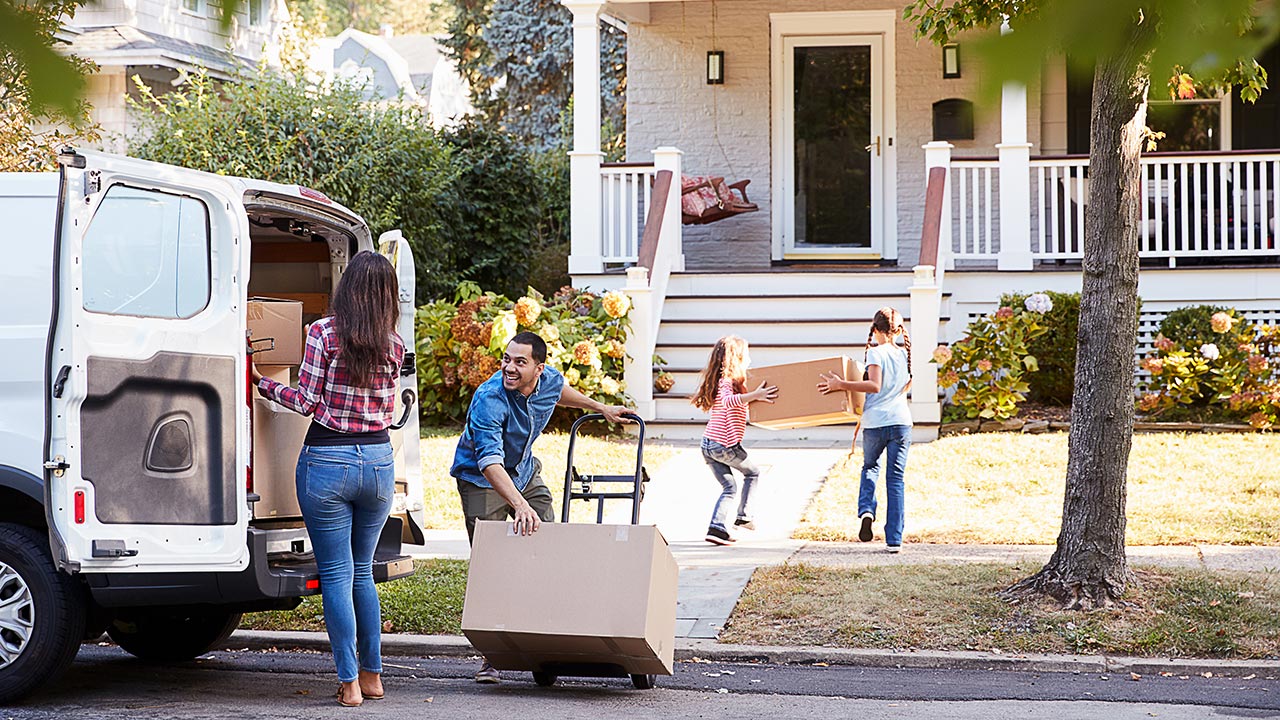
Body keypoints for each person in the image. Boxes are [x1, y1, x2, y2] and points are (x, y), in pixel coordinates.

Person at [251, 251, 405, 707]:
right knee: (363, 574)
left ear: (348, 289)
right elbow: (389, 406)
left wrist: (263, 382)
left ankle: (349, 683)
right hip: (378, 461)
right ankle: (373, 675)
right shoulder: (394, 344)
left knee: (336, 573)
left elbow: (305, 400)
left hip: (328, 460)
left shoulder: (322, 333)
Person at [451, 330, 632, 683]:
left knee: (548, 545)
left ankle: (544, 638)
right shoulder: (490, 398)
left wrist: (600, 407)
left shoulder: (548, 380)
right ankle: (492, 657)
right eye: (507, 359)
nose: (510, 368)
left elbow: (558, 393)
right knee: (493, 564)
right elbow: (489, 461)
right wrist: (518, 506)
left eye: (520, 362)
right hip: (481, 479)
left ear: (538, 367)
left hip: (523, 471)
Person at [818, 307, 913, 553]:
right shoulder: (903, 354)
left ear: (875, 330)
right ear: (898, 331)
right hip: (901, 422)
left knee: (870, 467)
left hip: (875, 423)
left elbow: (873, 385)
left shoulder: (875, 353)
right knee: (896, 480)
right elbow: (903, 385)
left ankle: (867, 512)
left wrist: (840, 384)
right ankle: (894, 540)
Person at [690, 336, 777, 546]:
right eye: (746, 355)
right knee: (753, 472)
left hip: (708, 445)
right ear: (737, 358)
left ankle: (716, 528)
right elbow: (729, 402)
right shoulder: (727, 382)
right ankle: (744, 516)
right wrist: (756, 395)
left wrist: (753, 394)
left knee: (729, 488)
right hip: (724, 445)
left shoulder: (729, 382)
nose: (749, 359)